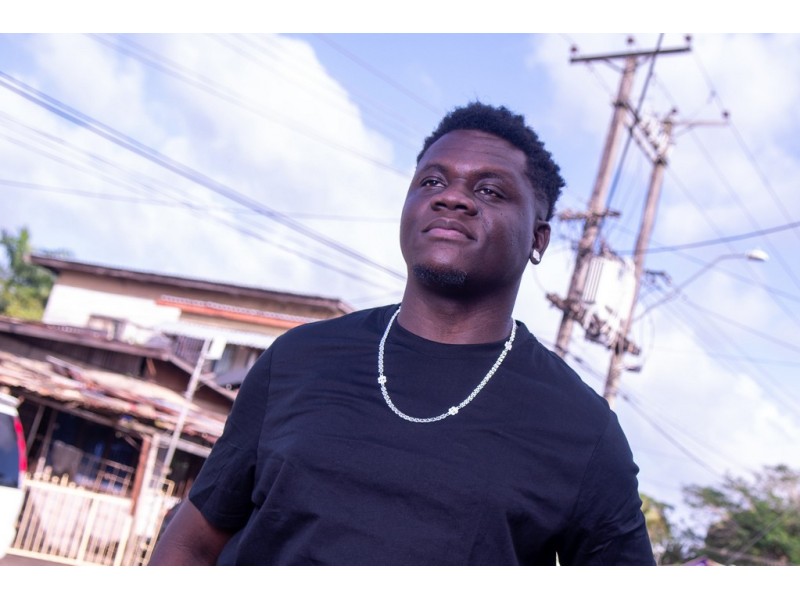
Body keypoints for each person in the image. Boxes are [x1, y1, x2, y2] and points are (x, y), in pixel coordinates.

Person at [149, 102, 655, 566]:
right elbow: (193, 543)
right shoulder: (297, 359)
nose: (452, 197)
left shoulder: (584, 431)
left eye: (489, 190)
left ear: (538, 239)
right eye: (432, 182)